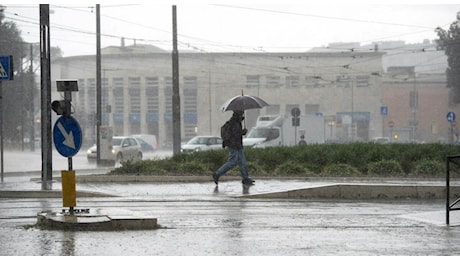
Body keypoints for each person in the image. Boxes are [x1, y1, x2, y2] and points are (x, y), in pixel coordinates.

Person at [212, 110, 255, 186]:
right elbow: (235, 134)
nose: (242, 115)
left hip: (237, 145)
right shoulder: (234, 123)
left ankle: (245, 178)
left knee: (242, 162)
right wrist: (243, 132)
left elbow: (236, 133)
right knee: (232, 162)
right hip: (234, 145)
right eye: (241, 113)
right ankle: (217, 174)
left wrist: (241, 132)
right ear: (239, 114)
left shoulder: (236, 122)